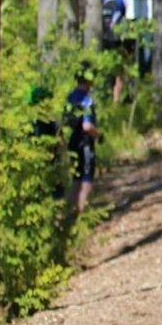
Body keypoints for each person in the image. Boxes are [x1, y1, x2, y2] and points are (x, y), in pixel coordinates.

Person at [64, 61, 102, 213]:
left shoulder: (70, 98)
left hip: (71, 142)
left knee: (75, 178)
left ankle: (67, 211)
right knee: (86, 179)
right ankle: (80, 213)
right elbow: (87, 126)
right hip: (85, 143)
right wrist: (99, 135)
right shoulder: (87, 100)